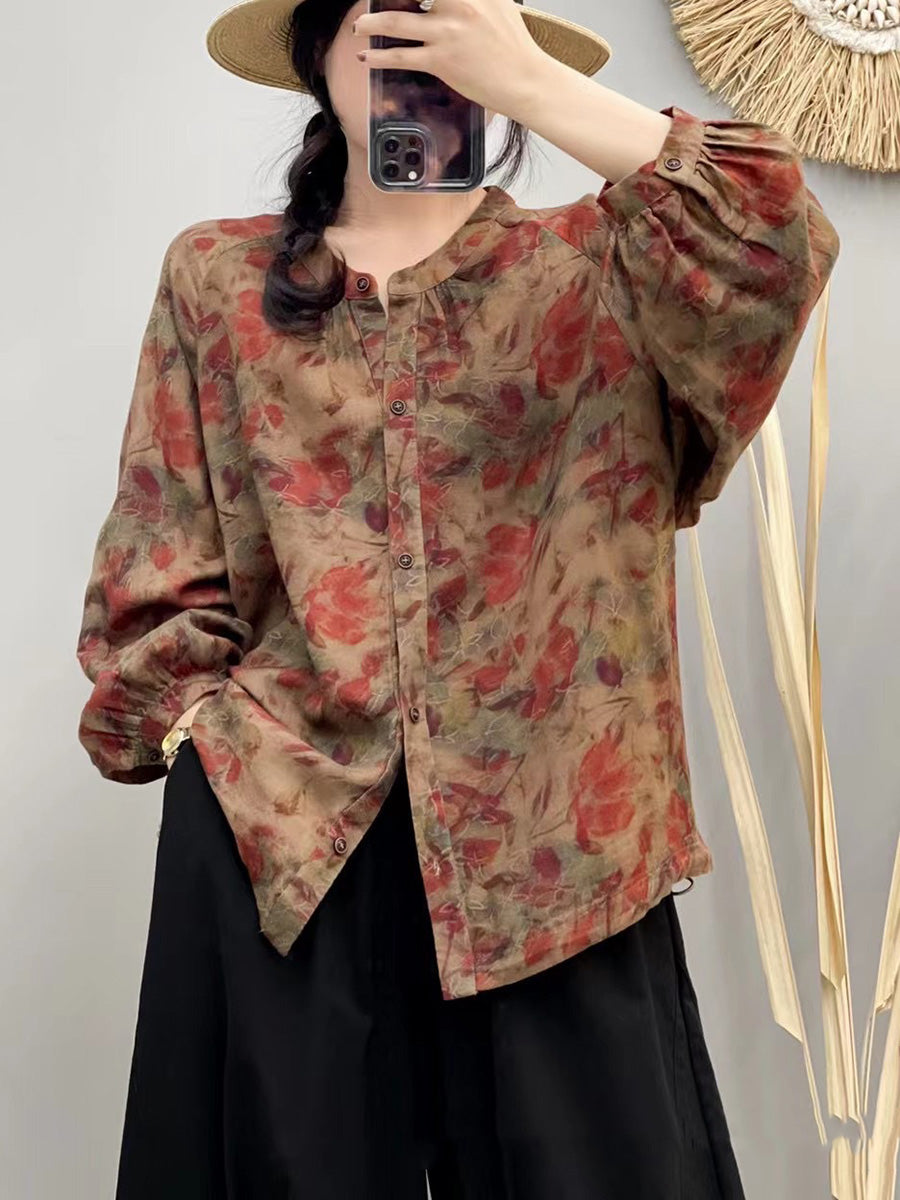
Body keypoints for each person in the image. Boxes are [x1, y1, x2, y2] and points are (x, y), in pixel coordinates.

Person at [74, 0, 841, 1195]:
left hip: (563, 850)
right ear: (314, 49)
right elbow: (157, 564)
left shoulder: (604, 270)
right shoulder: (216, 279)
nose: (412, 35)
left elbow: (775, 235)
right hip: (291, 846)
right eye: (378, 13)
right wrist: (200, 739)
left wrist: (531, 83)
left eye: (444, 14)